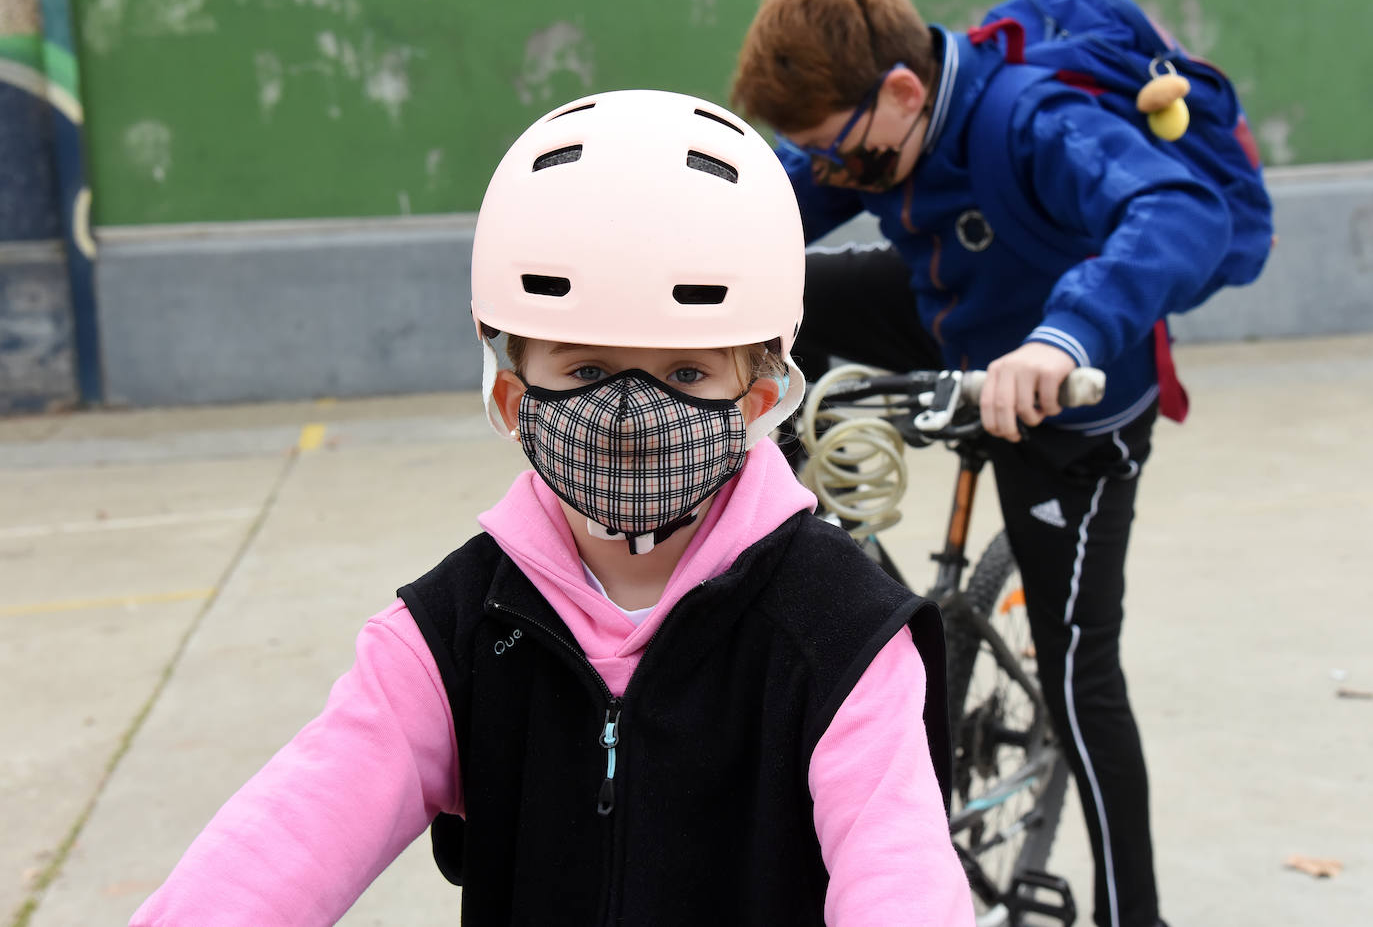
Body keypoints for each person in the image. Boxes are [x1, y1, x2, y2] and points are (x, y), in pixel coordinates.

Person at [129, 90, 975, 926]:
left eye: (686, 374)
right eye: (583, 370)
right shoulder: (451, 634)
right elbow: (288, 833)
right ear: (509, 394)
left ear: (760, 400)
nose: (630, 417)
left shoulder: (841, 634)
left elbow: (899, 870)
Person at [730, 0, 1233, 927]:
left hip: (1069, 391)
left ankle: (1140, 916)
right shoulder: (880, 129)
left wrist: (1062, 338)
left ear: (904, 92)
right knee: (786, 304)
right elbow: (778, 206)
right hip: (958, 313)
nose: (836, 174)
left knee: (1080, 672)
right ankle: (779, 532)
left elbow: (1179, 210)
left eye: (843, 154)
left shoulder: (1031, 119)